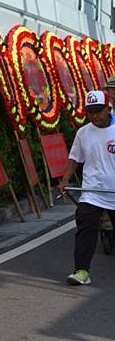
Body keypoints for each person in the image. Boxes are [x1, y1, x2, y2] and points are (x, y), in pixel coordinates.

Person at [58, 90, 115, 285]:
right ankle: (81, 271)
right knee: (85, 229)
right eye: (90, 112)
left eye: (98, 111)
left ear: (108, 108)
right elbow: (74, 158)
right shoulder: (83, 133)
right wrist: (65, 179)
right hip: (92, 192)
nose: (94, 116)